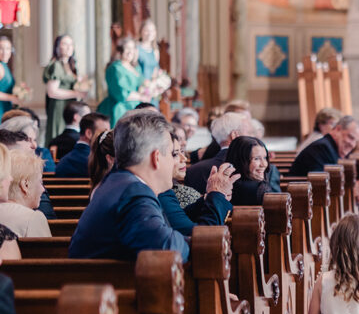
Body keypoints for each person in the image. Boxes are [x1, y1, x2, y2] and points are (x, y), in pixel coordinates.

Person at [69, 110, 190, 261]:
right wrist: (190, 243)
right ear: (156, 157)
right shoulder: (133, 194)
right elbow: (166, 247)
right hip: (102, 283)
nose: (174, 162)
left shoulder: (117, 183)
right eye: (172, 154)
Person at [158, 130, 235, 236]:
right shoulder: (159, 192)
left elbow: (182, 216)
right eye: (175, 154)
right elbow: (202, 238)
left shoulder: (163, 190)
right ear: (156, 157)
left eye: (182, 151)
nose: (184, 158)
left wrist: (210, 197)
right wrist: (217, 195)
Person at [184, 111, 251, 192]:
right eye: (249, 132)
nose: (253, 137)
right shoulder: (251, 167)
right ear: (234, 135)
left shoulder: (193, 171)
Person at [42, 35, 90, 145]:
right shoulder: (56, 65)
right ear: (57, 47)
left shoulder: (70, 65)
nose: (69, 47)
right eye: (65, 44)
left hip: (69, 106)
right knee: (59, 135)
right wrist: (77, 93)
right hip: (59, 106)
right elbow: (52, 92)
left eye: (71, 44)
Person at [0, 150, 50, 238]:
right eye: (40, 182)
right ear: (25, 185)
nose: (43, 189)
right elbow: (48, 251)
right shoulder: (33, 218)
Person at [98, 37, 144, 124]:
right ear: (120, 49)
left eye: (133, 48)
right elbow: (121, 94)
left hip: (136, 108)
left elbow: (142, 86)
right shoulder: (115, 68)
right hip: (120, 110)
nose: (130, 51)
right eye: (127, 48)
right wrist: (141, 96)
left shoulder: (136, 68)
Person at [55, 112, 110, 178]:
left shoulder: (63, 162)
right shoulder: (100, 163)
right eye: (104, 133)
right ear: (89, 133)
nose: (107, 137)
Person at [224, 136, 271, 207]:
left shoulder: (222, 185)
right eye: (256, 159)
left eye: (264, 158)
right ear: (241, 161)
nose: (264, 164)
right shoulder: (260, 190)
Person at [0, 36, 18, 117]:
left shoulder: (4, 66)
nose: (5, 52)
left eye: (8, 48)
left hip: (5, 109)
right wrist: (12, 97)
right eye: (1, 48)